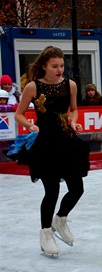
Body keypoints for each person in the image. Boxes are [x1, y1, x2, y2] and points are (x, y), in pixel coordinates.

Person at [13, 46, 90, 257]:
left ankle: (61, 218)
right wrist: (30, 126)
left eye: (62, 66)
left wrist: (74, 122)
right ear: (45, 66)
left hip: (67, 142)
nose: (59, 69)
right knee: (52, 191)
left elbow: (73, 110)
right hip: (46, 145)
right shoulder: (32, 87)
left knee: (77, 189)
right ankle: (46, 233)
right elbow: (18, 114)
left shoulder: (70, 85)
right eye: (54, 66)